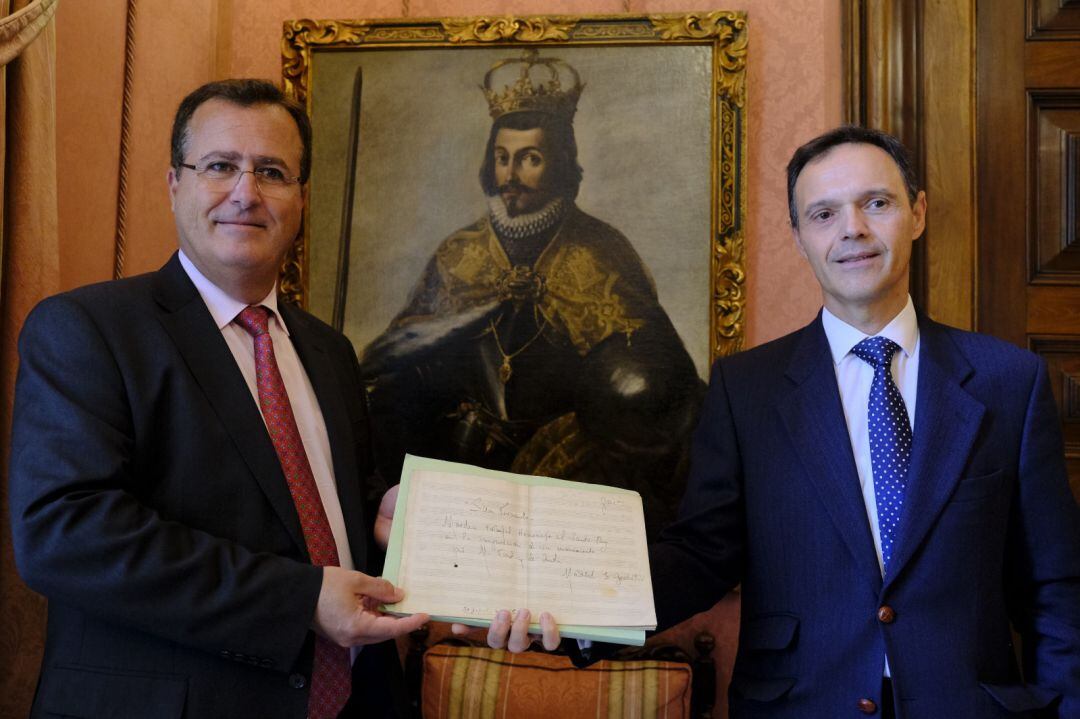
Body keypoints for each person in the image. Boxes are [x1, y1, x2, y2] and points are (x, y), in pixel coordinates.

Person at [486, 126, 1080, 718]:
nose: (853, 229)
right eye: (823, 214)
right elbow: (699, 556)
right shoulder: (747, 390)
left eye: (877, 203)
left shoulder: (1009, 382)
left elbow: (1055, 587)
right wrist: (571, 610)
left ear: (917, 213)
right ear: (798, 237)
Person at [8, 79, 428, 719]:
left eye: (272, 171)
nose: (246, 192)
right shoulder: (88, 329)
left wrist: (383, 517)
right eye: (220, 166)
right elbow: (65, 535)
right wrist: (299, 599)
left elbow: (307, 512)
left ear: (301, 198)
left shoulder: (331, 352)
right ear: (174, 183)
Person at [359, 50, 702, 539]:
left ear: (559, 163)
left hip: (569, 480)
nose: (510, 175)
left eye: (530, 159)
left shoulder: (600, 251)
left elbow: (655, 385)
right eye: (502, 158)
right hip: (464, 469)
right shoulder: (461, 253)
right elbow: (403, 356)